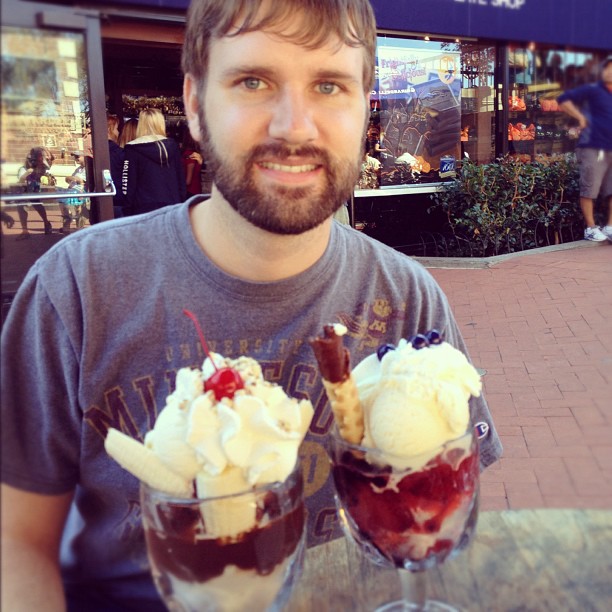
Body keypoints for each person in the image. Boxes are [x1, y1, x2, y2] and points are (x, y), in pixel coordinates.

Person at [1, 1, 503, 610]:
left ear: (363, 105)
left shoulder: (406, 299)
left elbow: (441, 512)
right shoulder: (78, 288)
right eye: (253, 81)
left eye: (328, 85)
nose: (295, 127)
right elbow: (16, 541)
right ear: (193, 101)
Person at [557, 56, 612, 242]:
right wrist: (580, 118)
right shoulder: (592, 90)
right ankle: (590, 227)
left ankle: (610, 227)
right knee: (590, 187)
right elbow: (563, 99)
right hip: (593, 146)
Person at [122, 108, 186, 215]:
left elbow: (128, 185)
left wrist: (127, 210)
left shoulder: (132, 149)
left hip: (143, 210)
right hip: (172, 207)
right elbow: (181, 181)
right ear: (161, 123)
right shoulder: (173, 147)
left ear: (141, 124)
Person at [15, 147, 54, 239]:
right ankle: (25, 230)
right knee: (21, 208)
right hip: (23, 191)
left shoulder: (40, 168)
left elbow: (49, 164)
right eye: (30, 160)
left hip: (33, 190)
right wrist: (27, 173)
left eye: (33, 160)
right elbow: (20, 181)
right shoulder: (23, 169)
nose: (31, 162)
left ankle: (46, 223)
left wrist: (45, 153)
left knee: (38, 206)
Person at [59, 151, 88, 233]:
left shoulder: (88, 168)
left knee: (79, 211)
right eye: (75, 157)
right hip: (72, 191)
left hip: (80, 192)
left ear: (84, 157)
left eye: (78, 156)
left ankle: (79, 229)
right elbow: (69, 179)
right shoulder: (78, 169)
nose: (76, 159)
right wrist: (71, 178)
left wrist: (72, 178)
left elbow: (81, 180)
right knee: (65, 208)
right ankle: (66, 227)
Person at [107, 114, 127, 217]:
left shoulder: (97, 151)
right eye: (116, 129)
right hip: (118, 198)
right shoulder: (119, 153)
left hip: (104, 198)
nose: (118, 132)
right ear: (109, 130)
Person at [180, 127, 204, 197]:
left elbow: (188, 181)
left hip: (191, 192)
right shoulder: (192, 155)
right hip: (194, 192)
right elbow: (189, 180)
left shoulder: (189, 154)